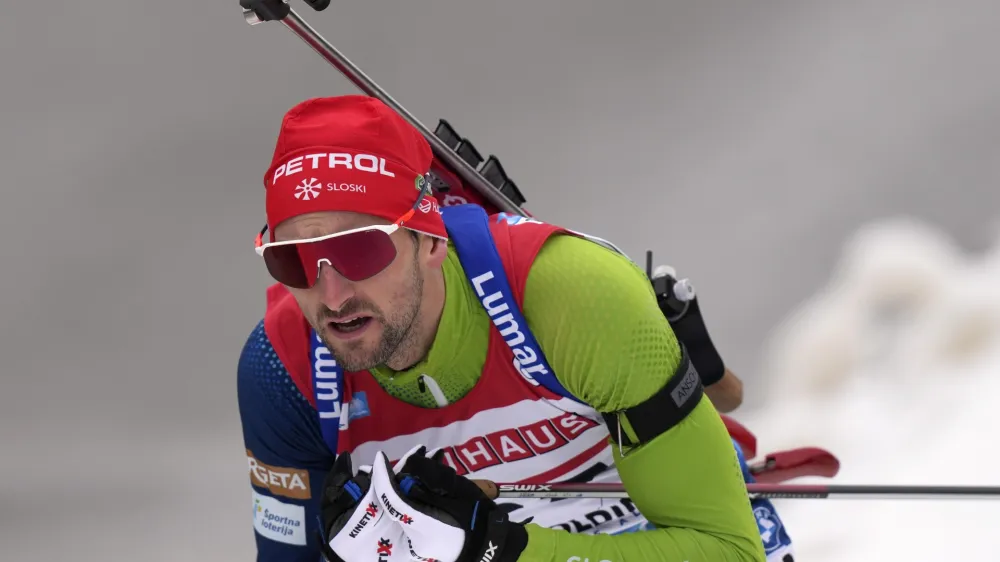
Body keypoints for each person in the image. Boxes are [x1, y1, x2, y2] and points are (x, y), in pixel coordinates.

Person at [237, 94, 773, 562]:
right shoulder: (282, 369)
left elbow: (730, 552)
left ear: (431, 240)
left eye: (359, 249)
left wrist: (500, 551)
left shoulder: (574, 294)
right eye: (293, 262)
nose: (331, 296)